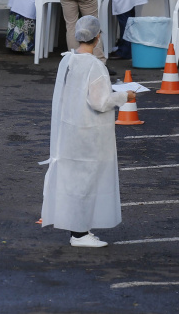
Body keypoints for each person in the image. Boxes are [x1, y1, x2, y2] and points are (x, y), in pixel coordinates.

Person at [41, 16, 135, 247]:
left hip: (70, 129)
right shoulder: (95, 66)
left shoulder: (69, 60)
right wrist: (125, 96)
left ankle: (77, 229)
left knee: (73, 181)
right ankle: (80, 233)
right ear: (98, 37)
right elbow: (100, 102)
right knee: (87, 181)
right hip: (90, 133)